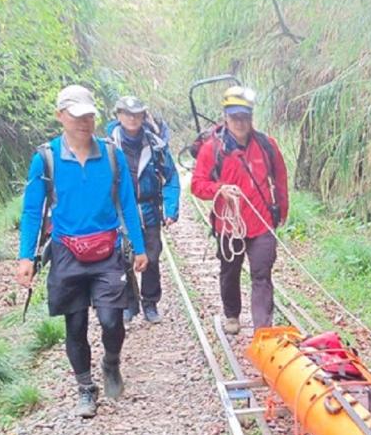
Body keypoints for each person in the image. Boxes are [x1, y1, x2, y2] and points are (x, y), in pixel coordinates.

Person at [16, 84, 147, 418]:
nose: (84, 122)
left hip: (108, 250)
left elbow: (128, 204)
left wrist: (140, 247)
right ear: (61, 116)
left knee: (112, 321)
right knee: (74, 327)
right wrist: (26, 257)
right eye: (76, 116)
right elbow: (32, 210)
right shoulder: (45, 159)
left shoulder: (112, 155)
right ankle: (86, 389)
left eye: (89, 115)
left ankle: (111, 363)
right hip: (66, 253)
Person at [190, 86, 289, 335]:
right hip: (229, 224)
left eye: (244, 116)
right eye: (235, 117)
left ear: (251, 117)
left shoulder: (267, 145)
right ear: (225, 117)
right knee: (230, 271)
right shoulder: (211, 149)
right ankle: (232, 314)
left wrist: (282, 209)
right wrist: (219, 189)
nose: (240, 122)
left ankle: (262, 329)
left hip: (261, 222)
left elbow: (280, 178)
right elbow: (197, 185)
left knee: (262, 274)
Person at [107, 95, 181, 324]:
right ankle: (129, 302)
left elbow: (171, 177)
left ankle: (150, 302)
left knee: (151, 256)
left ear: (143, 116)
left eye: (136, 114)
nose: (132, 118)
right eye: (127, 114)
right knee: (121, 256)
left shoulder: (155, 146)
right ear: (118, 116)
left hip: (148, 208)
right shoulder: (107, 147)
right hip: (117, 212)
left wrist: (170, 209)